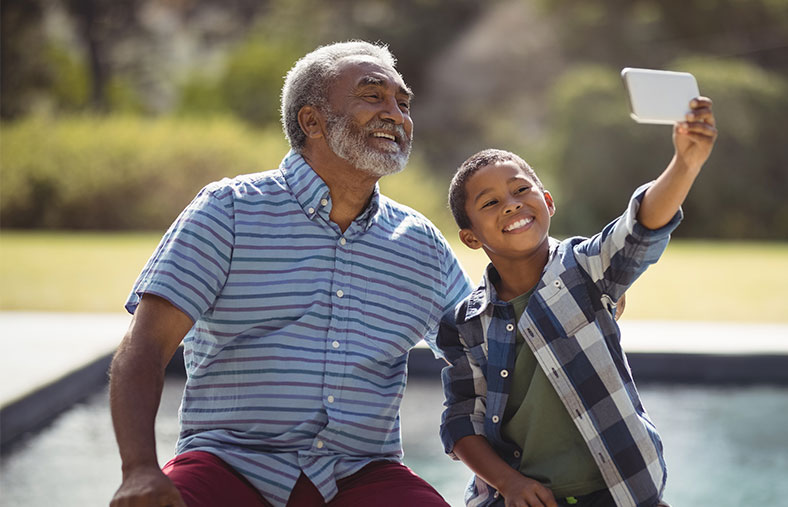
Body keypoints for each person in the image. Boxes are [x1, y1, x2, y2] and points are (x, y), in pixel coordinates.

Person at [108, 41, 474, 507]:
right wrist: (138, 468)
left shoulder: (420, 243)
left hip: (363, 474)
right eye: (372, 95)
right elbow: (146, 345)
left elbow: (482, 355)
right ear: (312, 121)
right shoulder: (229, 210)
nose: (396, 115)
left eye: (403, 104)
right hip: (228, 464)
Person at [438, 98, 717, 507]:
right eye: (491, 202)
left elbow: (639, 229)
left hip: (624, 492)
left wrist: (685, 164)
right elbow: (462, 423)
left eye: (520, 190)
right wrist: (509, 484)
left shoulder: (586, 269)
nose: (512, 203)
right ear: (472, 237)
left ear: (547, 202)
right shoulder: (463, 324)